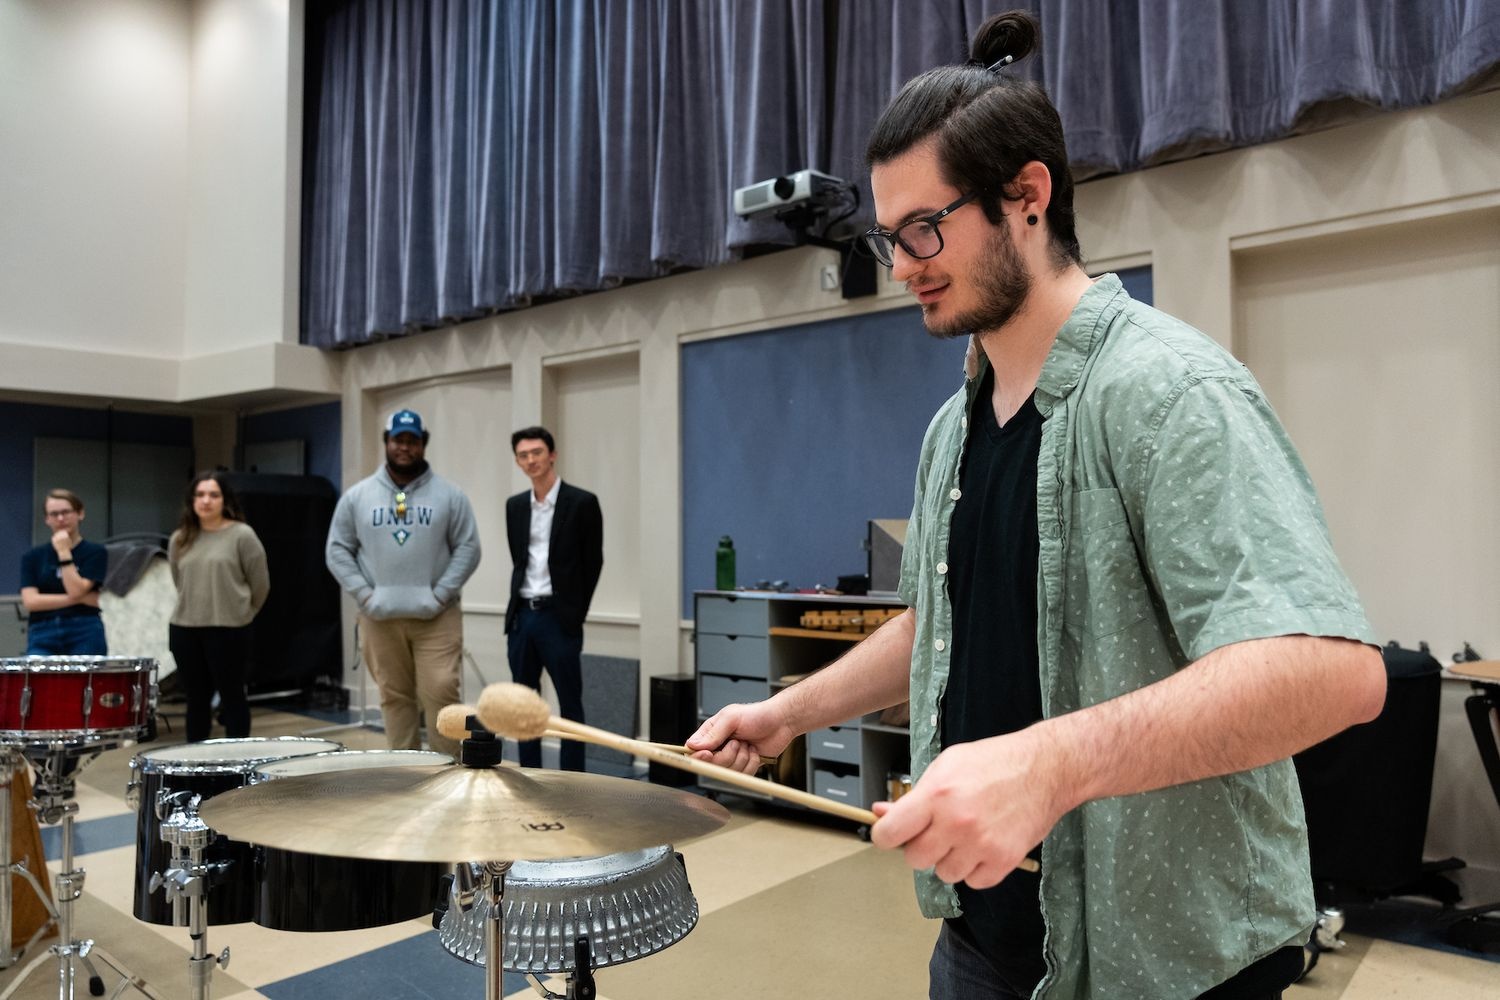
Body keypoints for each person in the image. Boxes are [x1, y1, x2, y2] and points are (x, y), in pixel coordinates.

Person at [689, 12, 1386, 1000]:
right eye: (889, 237)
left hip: (1170, 961)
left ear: (1027, 196)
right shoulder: (952, 431)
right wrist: (784, 713)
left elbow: (1333, 673)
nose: (903, 264)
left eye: (925, 228)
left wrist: (1051, 765)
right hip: (986, 942)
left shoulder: (1170, 392)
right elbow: (936, 628)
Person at [326, 408, 480, 758]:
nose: (405, 447)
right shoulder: (358, 496)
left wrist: (441, 594)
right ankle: (407, 773)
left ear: (423, 444)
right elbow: (337, 549)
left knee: (442, 694)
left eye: (413, 440)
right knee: (394, 697)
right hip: (379, 617)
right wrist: (365, 594)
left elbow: (468, 547)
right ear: (387, 442)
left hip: (437, 617)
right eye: (398, 440)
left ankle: (448, 771)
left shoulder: (450, 495)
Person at [505, 427, 603, 771]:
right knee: (523, 705)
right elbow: (520, 560)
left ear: (552, 455)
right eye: (523, 455)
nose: (531, 460)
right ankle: (529, 774)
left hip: (559, 617)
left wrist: (575, 614)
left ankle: (572, 780)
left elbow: (593, 562)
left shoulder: (582, 503)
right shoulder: (515, 506)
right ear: (518, 461)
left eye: (537, 452)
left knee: (570, 705)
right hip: (522, 616)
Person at [168, 472, 270, 741]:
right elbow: (178, 580)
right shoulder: (180, 538)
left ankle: (237, 759)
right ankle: (197, 759)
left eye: (214, 495)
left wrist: (243, 613)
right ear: (191, 501)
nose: (206, 501)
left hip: (229, 629)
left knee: (232, 696)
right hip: (185, 629)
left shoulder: (242, 535)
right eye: (200, 495)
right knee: (196, 699)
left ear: (225, 500)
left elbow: (260, 584)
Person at [20, 489, 108, 655]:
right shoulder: (33, 556)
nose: (60, 518)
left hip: (85, 628)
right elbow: (31, 601)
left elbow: (75, 590)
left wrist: (64, 552)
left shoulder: (95, 552)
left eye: (66, 512)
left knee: (87, 672)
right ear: (47, 519)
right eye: (54, 514)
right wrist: (83, 598)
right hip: (42, 629)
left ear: (80, 513)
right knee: (36, 669)